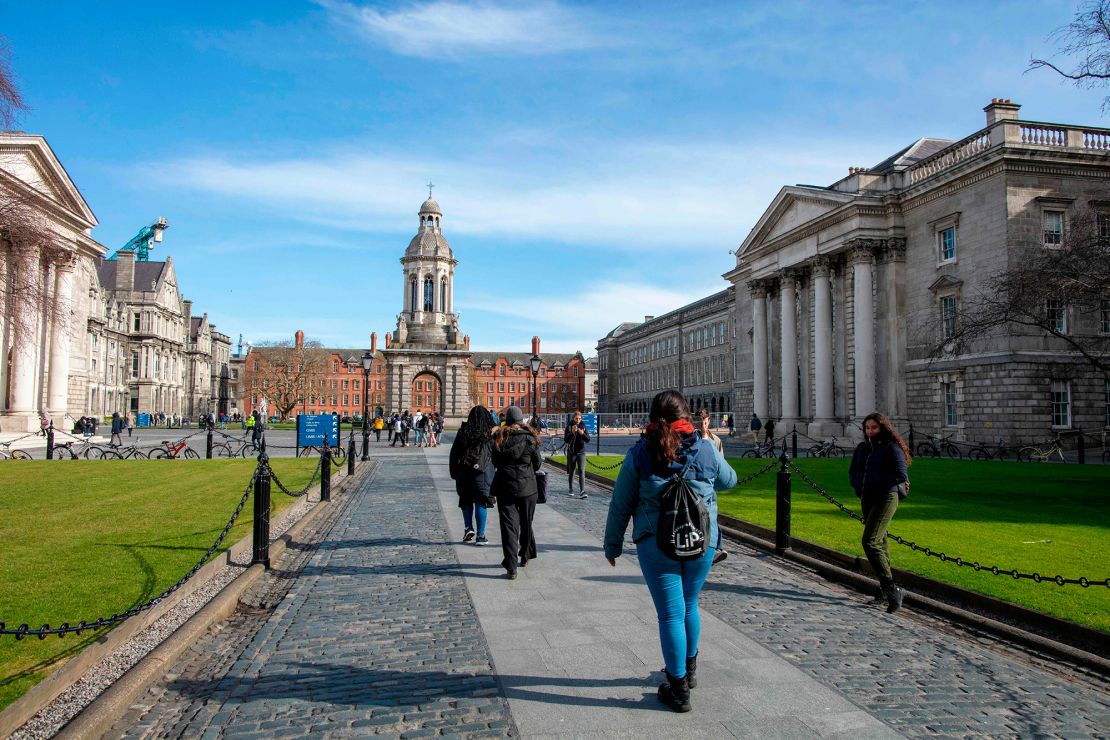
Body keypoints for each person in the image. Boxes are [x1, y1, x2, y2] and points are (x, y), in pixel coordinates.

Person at [604, 390, 737, 713]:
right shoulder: (704, 448)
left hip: (656, 543)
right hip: (700, 541)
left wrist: (612, 545)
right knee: (689, 606)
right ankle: (689, 673)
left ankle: (677, 689)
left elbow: (621, 504)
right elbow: (729, 480)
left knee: (670, 614)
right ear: (687, 415)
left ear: (652, 418)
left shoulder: (640, 453)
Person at [849, 412, 911, 613]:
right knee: (881, 542)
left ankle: (893, 589)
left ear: (882, 428)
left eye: (873, 428)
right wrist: (858, 486)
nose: (870, 431)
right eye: (867, 428)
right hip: (867, 498)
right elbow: (853, 472)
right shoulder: (862, 449)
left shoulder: (891, 448)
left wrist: (876, 483)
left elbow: (901, 474)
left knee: (870, 541)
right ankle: (886, 592)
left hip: (886, 497)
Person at [491, 405, 542, 580]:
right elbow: (537, 463)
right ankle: (525, 555)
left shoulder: (500, 438)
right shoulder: (530, 438)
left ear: (508, 421)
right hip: (528, 487)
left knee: (509, 527)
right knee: (527, 523)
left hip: (506, 486)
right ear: (521, 421)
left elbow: (495, 462)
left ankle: (511, 566)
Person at [449, 405, 495, 547]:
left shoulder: (464, 431)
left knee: (466, 500)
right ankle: (481, 536)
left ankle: (468, 528)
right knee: (481, 502)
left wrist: (454, 472)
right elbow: (497, 454)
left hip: (464, 471)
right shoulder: (490, 433)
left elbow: (454, 453)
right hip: (483, 472)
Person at [697, 409, 729, 565]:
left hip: (710, 485)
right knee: (706, 517)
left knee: (711, 517)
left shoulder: (715, 440)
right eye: (700, 421)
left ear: (708, 421)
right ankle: (713, 547)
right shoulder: (693, 439)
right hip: (696, 486)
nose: (703, 424)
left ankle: (716, 547)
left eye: (705, 421)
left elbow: (721, 464)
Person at [563, 411, 591, 499]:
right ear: (573, 418)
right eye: (576, 419)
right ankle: (571, 489)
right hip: (572, 452)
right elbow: (566, 440)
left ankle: (582, 491)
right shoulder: (569, 426)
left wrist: (582, 434)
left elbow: (588, 439)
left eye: (579, 419)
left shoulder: (583, 426)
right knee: (572, 471)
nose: (578, 420)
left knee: (582, 471)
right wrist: (572, 432)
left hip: (581, 452)